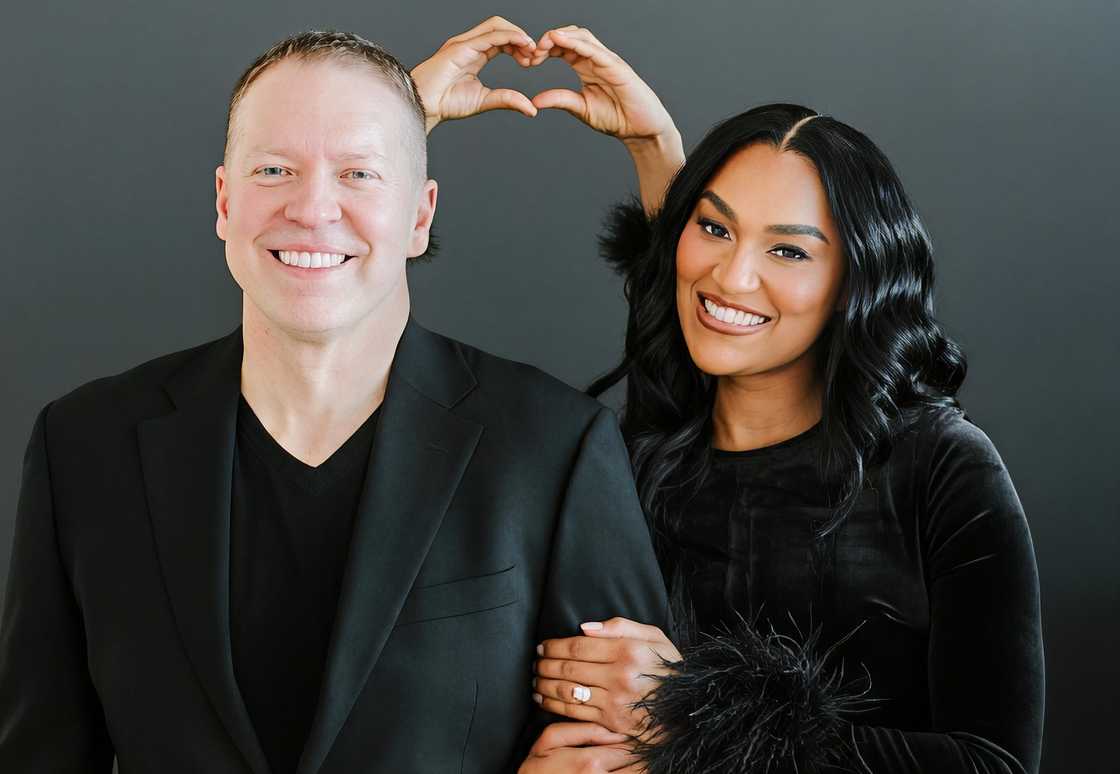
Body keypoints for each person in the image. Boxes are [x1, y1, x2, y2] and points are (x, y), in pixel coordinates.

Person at [0, 29, 670, 773]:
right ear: (225, 201)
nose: (313, 208)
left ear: (420, 216)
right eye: (275, 168)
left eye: (358, 174)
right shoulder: (85, 447)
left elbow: (634, 746)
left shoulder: (554, 448)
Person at [413, 21, 1045, 774]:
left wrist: (695, 718)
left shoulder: (940, 468)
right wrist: (399, 116)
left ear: (856, 280)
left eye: (788, 250)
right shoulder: (631, 457)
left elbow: (995, 764)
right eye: (713, 227)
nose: (731, 277)